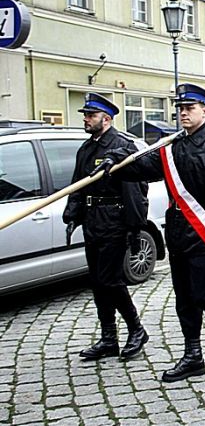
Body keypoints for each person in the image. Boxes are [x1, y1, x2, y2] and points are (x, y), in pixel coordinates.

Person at [93, 83, 205, 382]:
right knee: (184, 297)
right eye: (180, 109)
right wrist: (117, 162)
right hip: (178, 231)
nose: (183, 113)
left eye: (189, 108)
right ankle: (193, 356)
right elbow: (144, 167)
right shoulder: (173, 145)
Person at [63, 93, 150, 362]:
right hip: (93, 220)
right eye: (85, 115)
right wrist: (72, 213)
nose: (86, 119)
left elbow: (136, 190)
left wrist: (134, 226)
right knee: (98, 282)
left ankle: (136, 329)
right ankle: (109, 338)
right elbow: (78, 184)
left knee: (110, 280)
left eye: (91, 115)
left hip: (115, 220)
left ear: (107, 119)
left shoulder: (122, 147)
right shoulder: (87, 149)